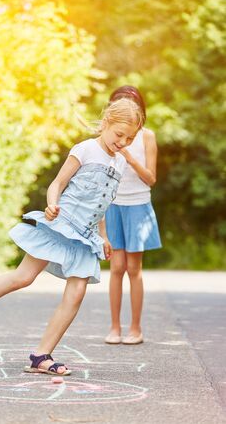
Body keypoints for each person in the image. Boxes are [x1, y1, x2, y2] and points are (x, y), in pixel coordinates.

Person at [0, 98, 143, 376]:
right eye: (119, 135)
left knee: (77, 292)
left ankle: (41, 355)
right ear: (105, 123)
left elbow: (101, 204)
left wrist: (103, 236)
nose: (123, 142)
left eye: (130, 138)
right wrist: (51, 203)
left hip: (86, 235)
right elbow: (57, 184)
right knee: (23, 277)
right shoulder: (85, 149)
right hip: (62, 223)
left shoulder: (120, 164)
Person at [104, 86, 161, 345]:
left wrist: (129, 158)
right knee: (116, 268)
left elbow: (151, 179)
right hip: (114, 206)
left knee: (133, 268)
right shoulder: (110, 135)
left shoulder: (146, 136)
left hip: (138, 205)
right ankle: (114, 328)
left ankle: (135, 328)